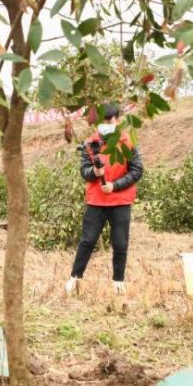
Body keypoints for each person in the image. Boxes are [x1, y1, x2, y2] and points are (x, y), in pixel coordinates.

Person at [64, 104, 143, 296]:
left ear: (117, 119)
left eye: (110, 121)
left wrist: (115, 185)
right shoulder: (90, 143)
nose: (106, 124)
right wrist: (94, 172)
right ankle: (75, 278)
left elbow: (137, 170)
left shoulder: (127, 141)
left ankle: (118, 281)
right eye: (103, 121)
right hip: (96, 201)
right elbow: (84, 171)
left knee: (120, 243)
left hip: (120, 200)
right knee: (87, 241)